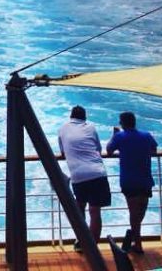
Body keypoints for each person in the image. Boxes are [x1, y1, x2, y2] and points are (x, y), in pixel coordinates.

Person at [57, 105, 111, 248]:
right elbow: (98, 149)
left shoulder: (62, 129)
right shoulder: (91, 127)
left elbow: (62, 152)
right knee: (95, 211)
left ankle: (82, 240)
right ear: (84, 117)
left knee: (79, 207)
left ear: (71, 116)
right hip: (97, 173)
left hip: (78, 175)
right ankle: (93, 246)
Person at [106, 111, 158, 254]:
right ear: (134, 122)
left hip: (129, 181)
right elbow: (154, 149)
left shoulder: (120, 136)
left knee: (134, 213)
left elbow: (109, 150)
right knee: (140, 211)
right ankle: (135, 239)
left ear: (122, 123)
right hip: (145, 179)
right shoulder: (146, 136)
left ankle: (136, 240)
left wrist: (114, 135)